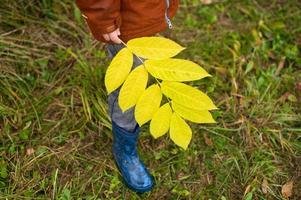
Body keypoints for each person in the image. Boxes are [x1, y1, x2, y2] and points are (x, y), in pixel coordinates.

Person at [75, 0, 179, 193]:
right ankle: (124, 148)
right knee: (128, 87)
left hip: (147, 14)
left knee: (142, 71)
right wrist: (104, 20)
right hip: (125, 25)